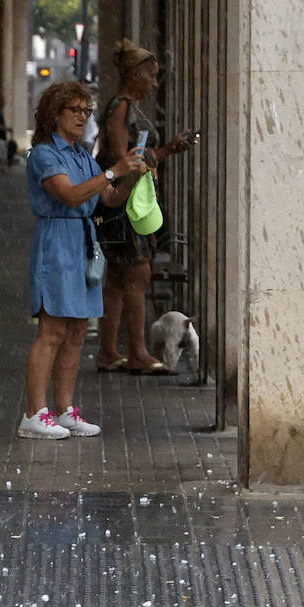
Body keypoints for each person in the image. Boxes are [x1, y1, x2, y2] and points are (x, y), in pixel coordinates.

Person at [20, 80, 146, 441]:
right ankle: (34, 412)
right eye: (74, 110)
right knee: (52, 329)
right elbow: (71, 196)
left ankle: (64, 409)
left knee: (75, 331)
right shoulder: (45, 154)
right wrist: (111, 170)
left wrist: (133, 174)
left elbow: (107, 197)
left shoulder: (81, 155)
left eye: (86, 110)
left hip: (82, 241)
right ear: (54, 113)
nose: (82, 116)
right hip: (57, 241)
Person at [94, 38, 192, 374]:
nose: (154, 84)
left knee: (119, 277)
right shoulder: (121, 107)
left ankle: (109, 351)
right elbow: (125, 162)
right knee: (137, 272)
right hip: (123, 204)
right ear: (134, 74)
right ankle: (136, 351)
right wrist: (166, 151)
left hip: (123, 200)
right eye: (150, 77)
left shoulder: (124, 106)